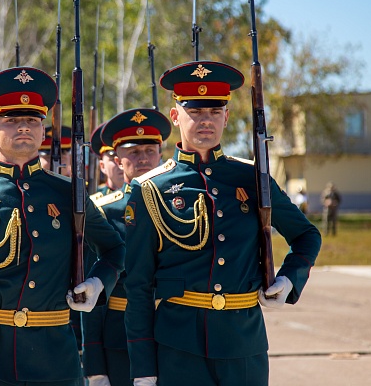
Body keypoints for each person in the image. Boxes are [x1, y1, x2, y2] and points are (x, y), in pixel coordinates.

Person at [123, 60, 322, 386]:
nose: (206, 121)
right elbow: (139, 287)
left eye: (215, 112)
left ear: (227, 117)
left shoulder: (252, 178)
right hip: (178, 348)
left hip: (243, 345)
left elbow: (306, 235)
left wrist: (288, 280)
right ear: (175, 117)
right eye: (195, 112)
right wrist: (143, 369)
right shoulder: (149, 189)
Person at [0, 67, 125, 386]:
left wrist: (97, 284)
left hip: (56, 359)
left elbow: (115, 248)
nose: (23, 127)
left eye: (33, 120)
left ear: (43, 131)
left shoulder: (68, 192)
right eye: (11, 120)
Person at [83, 108, 171, 386]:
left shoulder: (179, 205)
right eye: (133, 152)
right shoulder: (102, 213)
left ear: (161, 154)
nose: (143, 158)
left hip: (176, 331)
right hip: (120, 337)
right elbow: (91, 295)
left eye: (149, 149)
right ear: (118, 160)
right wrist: (95, 367)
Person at [90, 122, 124, 196]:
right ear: (102, 166)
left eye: (124, 157)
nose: (120, 163)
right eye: (113, 158)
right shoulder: (94, 203)